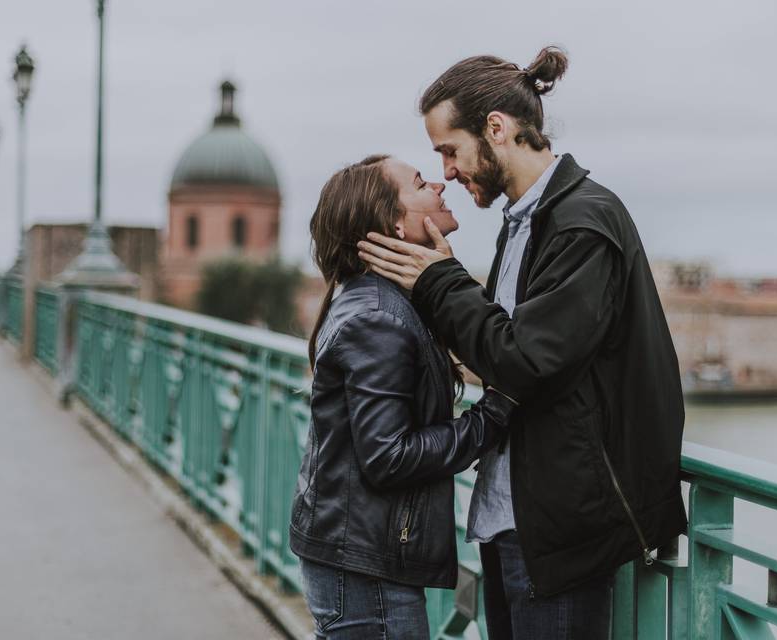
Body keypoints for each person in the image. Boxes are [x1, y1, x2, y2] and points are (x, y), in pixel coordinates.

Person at [357, 47, 688, 639]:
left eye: (449, 150)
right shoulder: (525, 221)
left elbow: (527, 361)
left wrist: (439, 281)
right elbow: (506, 349)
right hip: (514, 520)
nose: (449, 171)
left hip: (560, 532)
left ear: (496, 128)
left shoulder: (583, 222)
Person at [289, 154, 518, 639]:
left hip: (357, 555)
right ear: (393, 223)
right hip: (365, 568)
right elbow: (388, 456)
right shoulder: (382, 318)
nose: (439, 183)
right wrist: (493, 413)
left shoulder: (376, 301)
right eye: (419, 183)